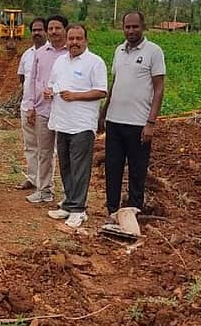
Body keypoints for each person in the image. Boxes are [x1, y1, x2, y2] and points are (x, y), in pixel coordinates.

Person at [100, 12, 166, 218]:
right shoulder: (119, 50)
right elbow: (115, 83)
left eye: (135, 27)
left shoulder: (154, 52)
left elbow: (159, 88)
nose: (131, 31)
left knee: (137, 170)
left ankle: (135, 210)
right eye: (127, 27)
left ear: (143, 26)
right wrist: (103, 113)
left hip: (138, 123)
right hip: (114, 121)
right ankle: (112, 210)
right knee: (113, 168)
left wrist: (151, 122)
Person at [45, 25, 108, 228]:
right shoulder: (60, 62)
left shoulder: (95, 62)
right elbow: (53, 84)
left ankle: (79, 209)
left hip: (81, 124)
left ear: (86, 40)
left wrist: (76, 96)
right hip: (61, 122)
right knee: (65, 165)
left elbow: (101, 91)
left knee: (80, 167)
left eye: (78, 38)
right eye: (71, 38)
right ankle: (68, 203)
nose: (74, 42)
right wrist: (49, 92)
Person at [22, 14, 69, 203]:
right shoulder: (40, 53)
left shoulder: (71, 53)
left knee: (66, 154)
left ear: (65, 29)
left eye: (58, 28)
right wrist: (32, 105)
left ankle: (69, 195)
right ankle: (44, 190)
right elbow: (33, 80)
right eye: (51, 28)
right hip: (42, 110)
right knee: (44, 152)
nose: (54, 32)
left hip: (66, 111)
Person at [16, 17, 48, 191]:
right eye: (34, 30)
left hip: (45, 109)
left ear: (46, 31)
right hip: (27, 107)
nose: (36, 33)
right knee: (30, 145)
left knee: (46, 148)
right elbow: (22, 77)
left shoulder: (53, 53)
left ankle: (44, 184)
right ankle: (32, 177)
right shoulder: (27, 54)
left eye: (40, 30)